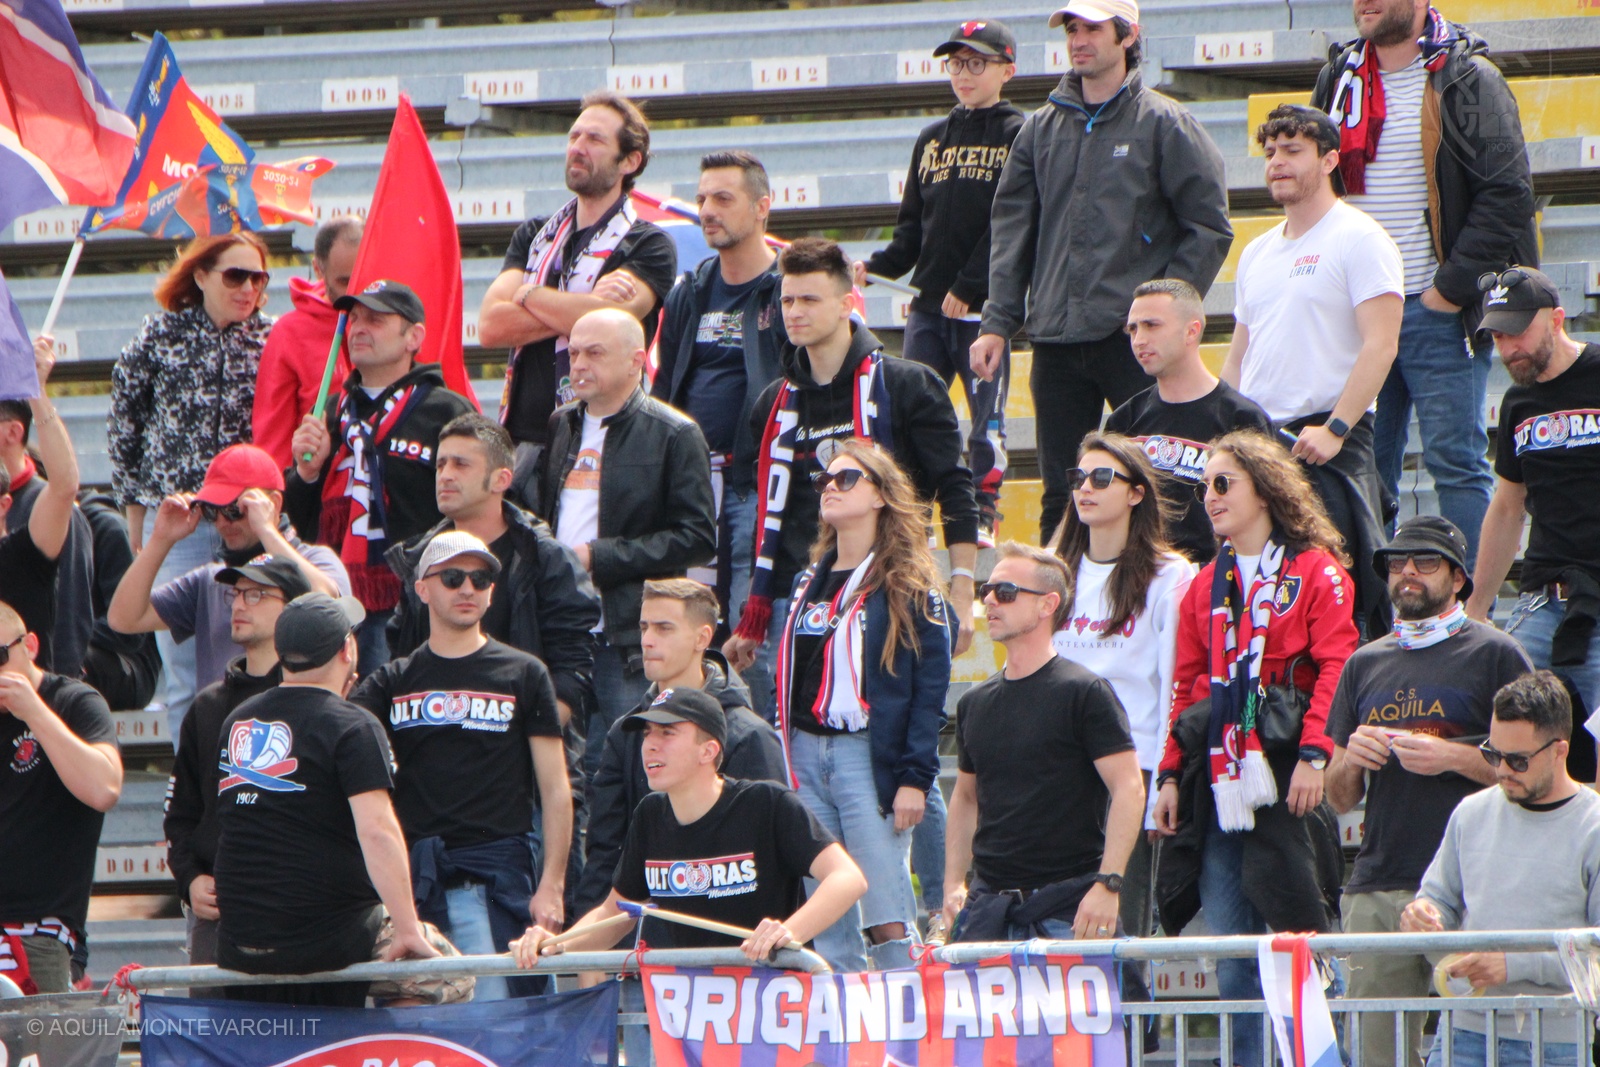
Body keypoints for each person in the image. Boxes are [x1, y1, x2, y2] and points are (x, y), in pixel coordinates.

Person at [972, 0, 1231, 542]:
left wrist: (1163, 313)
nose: (1079, 39)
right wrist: (997, 321)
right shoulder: (1039, 130)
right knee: (1063, 491)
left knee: (1160, 485)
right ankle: (1059, 595)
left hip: (1132, 340)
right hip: (1055, 339)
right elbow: (1011, 230)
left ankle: (1172, 590)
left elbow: (1208, 226)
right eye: (1072, 29)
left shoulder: (1165, 123)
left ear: (1127, 35)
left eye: (1092, 28)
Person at [1152, 430, 1359, 1067]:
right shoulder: (1203, 584)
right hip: (1219, 780)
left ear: (1265, 491)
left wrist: (1316, 755)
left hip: (1289, 769)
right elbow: (1186, 686)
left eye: (1223, 483)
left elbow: (1337, 666)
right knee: (1234, 955)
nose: (1209, 497)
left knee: (1304, 940)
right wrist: (1168, 774)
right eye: (1204, 487)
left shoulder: (1316, 569)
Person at [1310, 0, 1536, 567]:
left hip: (1435, 309)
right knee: (1362, 464)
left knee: (1456, 464)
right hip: (1359, 315)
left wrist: (1449, 290)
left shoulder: (1468, 78)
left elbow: (1509, 194)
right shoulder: (1339, 78)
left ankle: (1470, 605)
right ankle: (1371, 607)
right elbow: (1315, 185)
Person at [724, 237, 979, 681]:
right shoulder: (772, 405)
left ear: (846, 304)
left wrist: (961, 590)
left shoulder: (907, 385)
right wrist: (754, 609)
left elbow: (955, 490)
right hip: (794, 600)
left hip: (889, 591)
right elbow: (768, 514)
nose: (794, 311)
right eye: (787, 300)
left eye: (809, 300)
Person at [1326, 516, 1531, 1067]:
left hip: (1475, 884)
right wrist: (1354, 758)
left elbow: (1533, 771)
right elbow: (1338, 797)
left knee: (1489, 1049)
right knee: (1377, 1056)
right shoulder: (1364, 662)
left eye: (1425, 562)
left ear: (1459, 578)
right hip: (1379, 882)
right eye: (1397, 563)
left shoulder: (1497, 653)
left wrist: (1453, 757)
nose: (1407, 572)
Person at [386, 413, 599, 920]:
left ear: (502, 478)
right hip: (439, 776)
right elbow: (403, 663)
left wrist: (521, 739)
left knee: (541, 923)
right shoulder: (419, 559)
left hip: (530, 771)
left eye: (461, 464)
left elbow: (573, 672)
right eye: (440, 464)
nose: (444, 475)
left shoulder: (545, 558)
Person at [351, 531, 571, 1001]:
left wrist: (552, 885)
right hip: (414, 888)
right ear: (422, 588)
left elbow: (556, 789)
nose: (468, 588)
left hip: (496, 882)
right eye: (453, 577)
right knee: (423, 1034)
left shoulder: (525, 672)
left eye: (481, 578)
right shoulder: (391, 680)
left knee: (503, 1027)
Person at [510, 687, 867, 963]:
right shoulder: (650, 815)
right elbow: (616, 913)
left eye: (667, 733)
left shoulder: (766, 803)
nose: (650, 745)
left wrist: (786, 933)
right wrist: (554, 944)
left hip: (772, 999)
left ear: (708, 751)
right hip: (693, 1008)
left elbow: (848, 878)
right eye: (647, 733)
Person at [1222, 103, 1404, 638]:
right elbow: (1239, 355)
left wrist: (1336, 428)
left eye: (1292, 150)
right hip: (1260, 442)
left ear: (1328, 160)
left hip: (1329, 440)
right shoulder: (1256, 252)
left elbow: (1382, 344)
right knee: (1259, 603)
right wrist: (1225, 438)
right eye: (1270, 152)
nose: (1277, 162)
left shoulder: (1360, 237)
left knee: (1342, 604)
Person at [771, 440, 954, 971]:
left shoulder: (909, 582)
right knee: (827, 916)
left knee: (885, 914)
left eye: (846, 478)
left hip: (865, 753)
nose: (830, 487)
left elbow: (929, 693)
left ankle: (904, 1017)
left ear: (880, 495)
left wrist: (915, 778)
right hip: (804, 753)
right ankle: (845, 1021)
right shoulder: (807, 580)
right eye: (824, 480)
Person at [213, 592, 437, 1006]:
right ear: (347, 650)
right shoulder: (351, 725)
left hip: (238, 947)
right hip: (326, 943)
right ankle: (372, 1042)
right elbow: (378, 831)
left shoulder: (237, 719)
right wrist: (408, 929)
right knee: (446, 978)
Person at [854, 19, 1025, 548]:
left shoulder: (1019, 133)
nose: (963, 74)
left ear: (1007, 70)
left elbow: (1012, 222)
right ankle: (910, 516)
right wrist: (875, 267)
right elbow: (911, 230)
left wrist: (971, 285)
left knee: (985, 420)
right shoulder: (931, 139)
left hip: (983, 312)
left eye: (976, 63)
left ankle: (981, 513)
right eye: (955, 63)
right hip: (928, 310)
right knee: (911, 414)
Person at [534, 308, 716, 773]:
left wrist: (599, 557)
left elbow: (697, 538)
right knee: (562, 768)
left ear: (637, 360)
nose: (578, 365)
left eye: (594, 353)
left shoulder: (675, 432)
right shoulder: (561, 423)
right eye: (574, 353)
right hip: (562, 628)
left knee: (630, 764)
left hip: (629, 637)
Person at [944, 541, 1145, 946]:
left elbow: (1129, 787)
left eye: (1006, 592)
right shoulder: (974, 704)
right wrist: (952, 884)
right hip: (989, 909)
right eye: (986, 590)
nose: (990, 601)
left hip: (1069, 907)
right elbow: (965, 797)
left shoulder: (1084, 692)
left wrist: (1109, 885)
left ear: (1047, 604)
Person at [110, 232, 273, 721]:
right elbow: (125, 425)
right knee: (183, 669)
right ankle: (188, 770)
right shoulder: (160, 334)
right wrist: (136, 514)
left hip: (251, 521)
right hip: (179, 520)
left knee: (258, 654)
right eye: (236, 276)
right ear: (200, 276)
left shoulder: (272, 337)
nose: (248, 288)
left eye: (259, 278)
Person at [1401, 671, 1600, 1067]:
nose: (1503, 770)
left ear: (1560, 751)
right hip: (1463, 1029)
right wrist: (1422, 916)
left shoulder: (1592, 826)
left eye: (1518, 760)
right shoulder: (1471, 812)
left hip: (1554, 1039)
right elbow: (1436, 899)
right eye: (1493, 754)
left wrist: (1511, 964)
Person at [478, 90, 677, 483]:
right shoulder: (536, 236)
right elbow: (490, 326)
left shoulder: (649, 243)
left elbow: (611, 325)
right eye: (574, 136)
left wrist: (530, 295)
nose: (578, 147)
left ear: (630, 161)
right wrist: (584, 306)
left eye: (595, 139)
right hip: (522, 444)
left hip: (605, 442)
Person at [286, 279, 477, 677]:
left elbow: (475, 508)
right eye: (354, 318)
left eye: (375, 319)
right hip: (335, 601)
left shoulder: (447, 411)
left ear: (413, 337)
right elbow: (301, 524)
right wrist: (307, 473)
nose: (358, 328)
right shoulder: (330, 413)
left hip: (414, 602)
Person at [652, 150, 786, 712]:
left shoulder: (788, 290)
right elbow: (665, 387)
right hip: (695, 485)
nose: (708, 210)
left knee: (751, 632)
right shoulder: (691, 290)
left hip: (758, 482)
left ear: (761, 208)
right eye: (702, 198)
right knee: (694, 626)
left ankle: (757, 742)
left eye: (723, 199)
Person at [1048, 433, 1195, 938]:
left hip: (1130, 770)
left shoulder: (1169, 575)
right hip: (1056, 768)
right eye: (1078, 478)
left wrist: (1164, 780)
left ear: (1136, 493)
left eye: (1102, 477)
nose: (1085, 488)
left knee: (1115, 930)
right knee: (1052, 929)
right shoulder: (1052, 569)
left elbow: (1174, 683)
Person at [575, 578, 786, 918]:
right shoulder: (625, 733)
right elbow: (605, 854)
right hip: (639, 932)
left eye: (664, 628)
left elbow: (771, 860)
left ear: (702, 638)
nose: (647, 640)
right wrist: (585, 946)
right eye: (644, 627)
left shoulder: (749, 736)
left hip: (734, 938)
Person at [107, 444, 347, 737]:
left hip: (301, 735)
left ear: (273, 504)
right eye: (213, 511)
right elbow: (124, 618)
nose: (222, 523)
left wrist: (267, 531)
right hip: (225, 739)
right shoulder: (212, 578)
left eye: (236, 510)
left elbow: (328, 605)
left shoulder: (315, 560)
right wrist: (161, 539)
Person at [1466, 267, 1600, 726]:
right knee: (1499, 727)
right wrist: (1476, 609)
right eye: (1498, 336)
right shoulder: (1517, 404)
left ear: (1557, 319)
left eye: (1518, 332)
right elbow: (1507, 509)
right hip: (1542, 598)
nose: (1508, 349)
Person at [164, 556, 309, 975]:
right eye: (237, 594)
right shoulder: (208, 706)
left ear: (292, 609)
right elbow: (180, 815)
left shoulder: (318, 703)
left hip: (303, 916)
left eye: (257, 594)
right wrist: (190, 879)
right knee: (216, 1018)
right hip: (219, 919)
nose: (240, 605)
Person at [0, 601, 122, 995]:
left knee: (37, 1036)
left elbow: (104, 789)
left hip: (37, 933)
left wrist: (34, 712)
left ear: (30, 646)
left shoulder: (72, 702)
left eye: (0, 657)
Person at [1106, 279, 1272, 563]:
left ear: (1191, 331)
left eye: (1151, 325)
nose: (1139, 340)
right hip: (1138, 572)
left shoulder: (1243, 418)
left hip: (1217, 572)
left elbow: (1267, 513)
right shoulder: (1124, 421)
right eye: (1132, 329)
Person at [253, 216, 363, 467]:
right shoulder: (289, 333)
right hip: (316, 482)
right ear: (318, 270)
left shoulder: (397, 323)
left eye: (363, 277)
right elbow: (272, 442)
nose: (356, 292)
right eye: (344, 281)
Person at [0, 337, 79, 675]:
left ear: (4, 504)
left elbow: (64, 487)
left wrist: (37, 393)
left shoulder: (23, 556)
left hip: (29, 703)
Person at [76, 491, 162, 712]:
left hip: (128, 661)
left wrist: (66, 636)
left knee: (57, 658)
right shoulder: (23, 531)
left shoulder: (107, 529)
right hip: (73, 647)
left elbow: (129, 634)